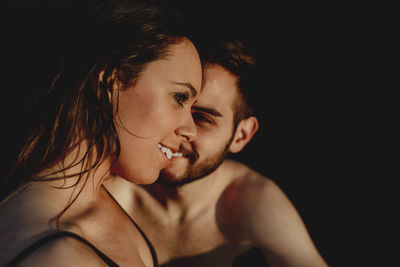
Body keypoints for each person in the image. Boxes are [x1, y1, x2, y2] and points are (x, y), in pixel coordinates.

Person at [0, 0, 202, 266]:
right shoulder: (56, 257)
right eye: (179, 97)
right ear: (109, 84)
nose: (191, 131)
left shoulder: (96, 197)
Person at [104, 33, 330, 267]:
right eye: (176, 103)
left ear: (241, 135)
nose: (182, 128)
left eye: (202, 118)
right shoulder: (112, 182)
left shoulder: (250, 201)